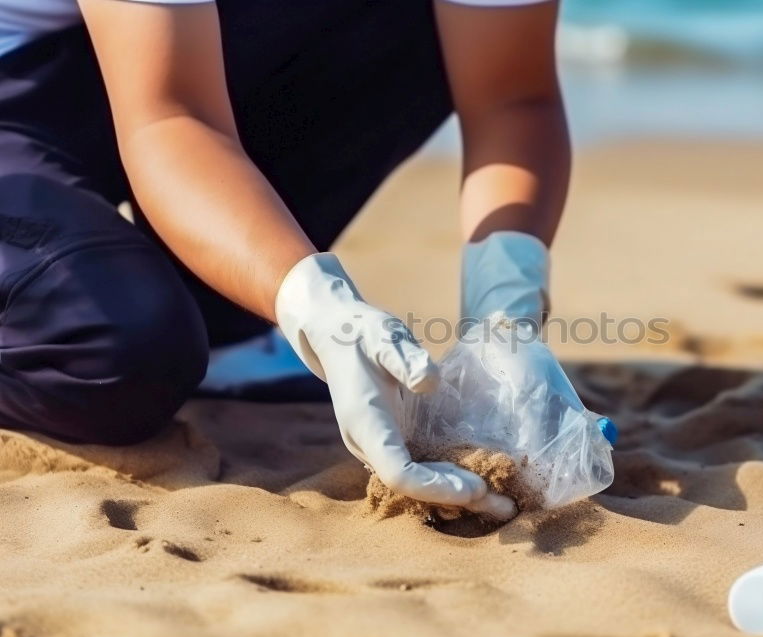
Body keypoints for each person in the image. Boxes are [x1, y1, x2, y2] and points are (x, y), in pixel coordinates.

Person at [0, 0, 570, 514]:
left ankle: (227, 322)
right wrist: (317, 303)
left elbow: (513, 96)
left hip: (183, 49)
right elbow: (172, 117)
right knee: (113, 356)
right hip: (21, 86)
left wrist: (504, 319)